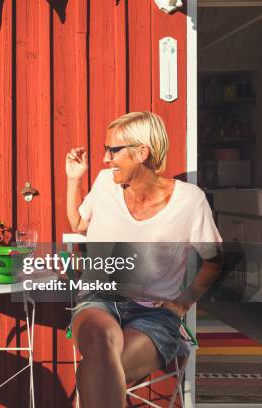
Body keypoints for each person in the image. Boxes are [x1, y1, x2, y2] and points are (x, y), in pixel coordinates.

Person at [65, 111, 223, 408]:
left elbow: (214, 260)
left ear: (141, 153)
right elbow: (78, 225)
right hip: (99, 299)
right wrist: (74, 180)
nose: (104, 159)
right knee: (101, 345)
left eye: (112, 150)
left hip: (156, 314)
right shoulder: (104, 184)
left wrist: (184, 301)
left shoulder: (190, 201)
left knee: (96, 371)